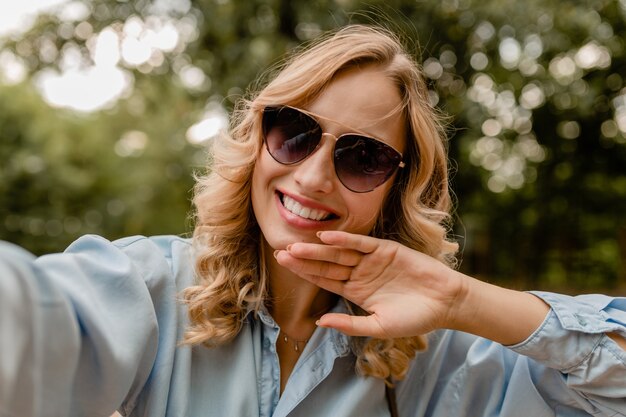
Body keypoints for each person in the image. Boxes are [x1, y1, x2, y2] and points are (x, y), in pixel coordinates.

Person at [1, 24, 625, 417]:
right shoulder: (146, 286)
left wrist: (462, 299)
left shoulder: (439, 353)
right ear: (258, 139)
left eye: (363, 156)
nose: (314, 176)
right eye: (295, 133)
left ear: (394, 189)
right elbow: (28, 326)